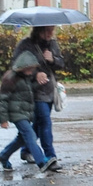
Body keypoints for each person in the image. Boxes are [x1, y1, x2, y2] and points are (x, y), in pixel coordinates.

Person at [0, 47, 61, 174]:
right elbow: (2, 100)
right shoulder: (10, 78)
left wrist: (40, 83)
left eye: (32, 68)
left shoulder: (26, 77)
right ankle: (42, 162)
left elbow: (28, 90)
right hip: (16, 114)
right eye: (29, 68)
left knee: (22, 138)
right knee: (30, 135)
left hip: (25, 113)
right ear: (22, 66)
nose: (31, 71)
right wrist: (3, 119)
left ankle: (3, 156)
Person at [8, 25, 63, 164]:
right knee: (45, 122)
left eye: (53, 30)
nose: (51, 33)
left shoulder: (52, 44)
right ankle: (50, 156)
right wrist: (35, 74)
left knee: (38, 123)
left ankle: (25, 150)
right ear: (39, 30)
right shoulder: (26, 45)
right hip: (34, 91)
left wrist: (53, 60)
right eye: (48, 30)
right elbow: (16, 65)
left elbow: (61, 64)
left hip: (49, 90)